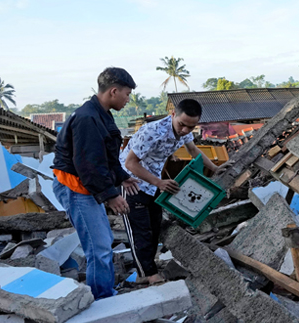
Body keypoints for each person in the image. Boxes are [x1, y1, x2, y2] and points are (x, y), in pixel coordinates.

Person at [51, 67, 140, 299]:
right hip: (76, 186)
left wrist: (121, 176)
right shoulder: (87, 119)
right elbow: (89, 166)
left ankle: (104, 291)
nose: (128, 99)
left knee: (104, 241)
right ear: (113, 91)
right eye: (127, 94)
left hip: (86, 185)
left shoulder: (101, 114)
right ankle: (102, 299)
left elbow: (106, 157)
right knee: (98, 247)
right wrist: (111, 195)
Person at [120, 98, 218, 284]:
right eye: (182, 125)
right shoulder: (152, 132)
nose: (185, 131)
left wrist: (215, 168)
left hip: (154, 182)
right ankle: (149, 274)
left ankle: (144, 274)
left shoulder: (185, 131)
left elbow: (193, 151)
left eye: (191, 127)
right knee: (140, 230)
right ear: (173, 114)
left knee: (155, 227)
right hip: (131, 181)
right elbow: (130, 163)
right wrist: (159, 182)